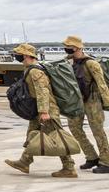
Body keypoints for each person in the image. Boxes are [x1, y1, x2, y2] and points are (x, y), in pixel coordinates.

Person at [5, 43, 78, 178]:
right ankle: (24, 162)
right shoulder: (30, 69)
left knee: (57, 138)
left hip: (47, 110)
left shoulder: (35, 71)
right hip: (39, 110)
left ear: (26, 55)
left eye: (19, 54)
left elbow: (42, 91)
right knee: (32, 135)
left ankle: (69, 167)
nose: (17, 56)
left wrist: (44, 112)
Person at [63, 35, 109, 173]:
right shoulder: (67, 62)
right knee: (74, 128)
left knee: (98, 130)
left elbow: (102, 84)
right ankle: (91, 156)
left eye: (68, 47)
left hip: (92, 100)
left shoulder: (91, 63)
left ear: (77, 47)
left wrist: (107, 102)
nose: (66, 49)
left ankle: (106, 161)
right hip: (76, 101)